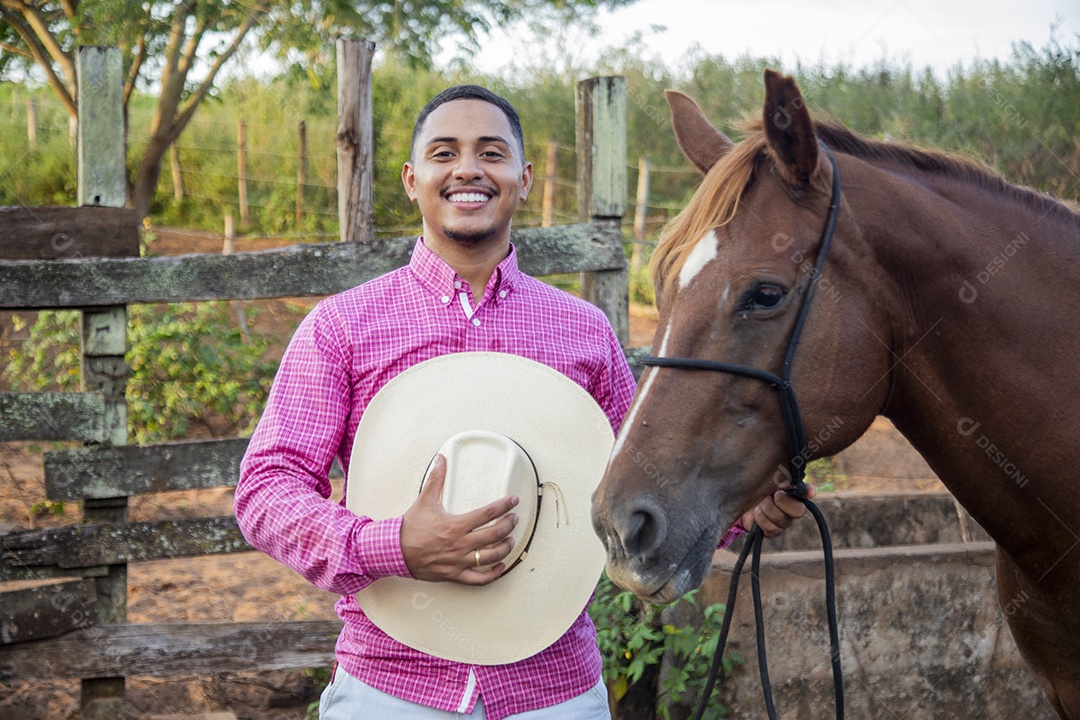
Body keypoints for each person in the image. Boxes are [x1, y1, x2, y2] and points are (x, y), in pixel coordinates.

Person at [234, 84, 811, 720]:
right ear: (411, 180)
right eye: (444, 153)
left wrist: (744, 512)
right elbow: (266, 489)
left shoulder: (583, 330)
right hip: (390, 686)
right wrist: (394, 546)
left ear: (524, 179)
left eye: (491, 152)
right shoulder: (342, 326)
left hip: (554, 692)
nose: (468, 169)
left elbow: (646, 479)